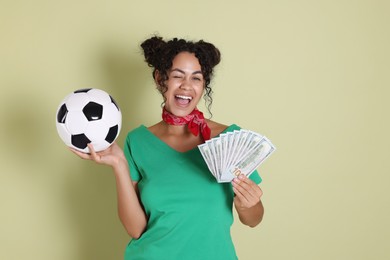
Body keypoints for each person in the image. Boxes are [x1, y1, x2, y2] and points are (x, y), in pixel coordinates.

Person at [72, 35, 265, 260]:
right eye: (177, 76)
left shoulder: (231, 139)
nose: (186, 86)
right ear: (159, 79)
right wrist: (119, 164)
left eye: (196, 78)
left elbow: (254, 219)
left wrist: (247, 205)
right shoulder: (138, 141)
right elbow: (136, 229)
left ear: (204, 85)